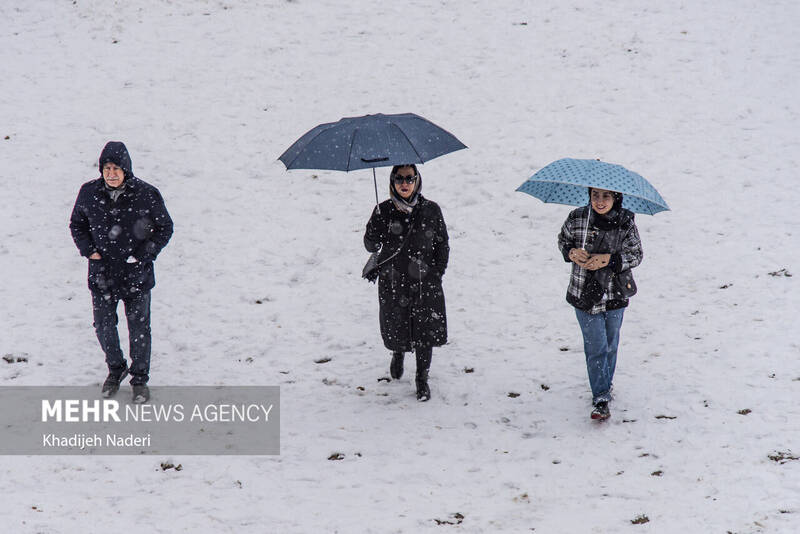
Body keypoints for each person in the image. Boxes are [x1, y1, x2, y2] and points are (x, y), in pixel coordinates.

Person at [69, 141, 173, 403]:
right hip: (102, 274)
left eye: (116, 168)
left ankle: (139, 379)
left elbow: (165, 227)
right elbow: (77, 224)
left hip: (136, 275)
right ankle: (116, 368)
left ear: (126, 170)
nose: (111, 173)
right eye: (107, 168)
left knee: (139, 328)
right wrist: (89, 250)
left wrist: (142, 255)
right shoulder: (89, 192)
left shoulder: (146, 194)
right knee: (104, 326)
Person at [364, 164, 449, 401]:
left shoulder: (431, 210)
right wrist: (374, 229)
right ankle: (398, 352)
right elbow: (370, 246)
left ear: (417, 180)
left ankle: (422, 378)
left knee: (425, 331)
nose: (405, 183)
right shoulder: (383, 211)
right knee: (397, 324)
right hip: (393, 281)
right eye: (400, 178)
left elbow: (442, 244)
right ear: (392, 181)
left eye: (410, 178)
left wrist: (437, 273)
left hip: (425, 282)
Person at [558, 187, 642, 420]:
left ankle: (606, 383)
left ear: (616, 197)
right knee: (596, 347)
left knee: (610, 344)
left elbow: (636, 255)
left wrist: (609, 260)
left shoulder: (625, 223)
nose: (600, 201)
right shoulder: (577, 217)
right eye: (595, 195)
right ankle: (601, 397)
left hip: (615, 293)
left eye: (606, 196)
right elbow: (563, 240)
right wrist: (571, 252)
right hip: (584, 293)